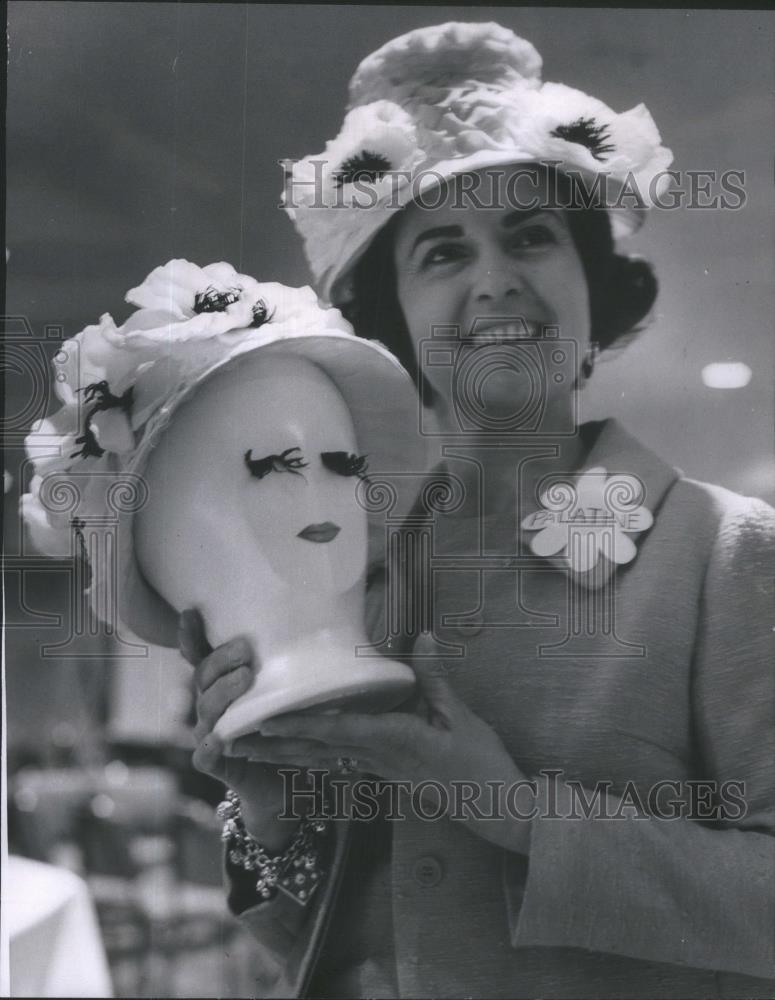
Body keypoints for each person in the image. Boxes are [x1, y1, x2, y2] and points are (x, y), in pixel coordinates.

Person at [183, 22, 775, 998]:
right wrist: (267, 807)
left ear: (593, 282)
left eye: (532, 235)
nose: (494, 278)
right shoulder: (344, 570)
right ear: (392, 320)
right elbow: (328, 941)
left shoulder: (726, 555)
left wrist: (504, 806)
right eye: (442, 253)